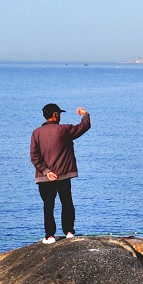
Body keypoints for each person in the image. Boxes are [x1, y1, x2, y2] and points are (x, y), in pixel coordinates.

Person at [30, 103, 91, 243]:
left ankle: (50, 236)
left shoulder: (36, 133)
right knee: (67, 202)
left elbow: (34, 156)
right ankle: (69, 231)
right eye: (59, 114)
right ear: (55, 115)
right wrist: (85, 115)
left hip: (45, 178)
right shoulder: (64, 130)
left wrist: (47, 172)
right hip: (63, 175)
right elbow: (83, 127)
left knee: (48, 206)